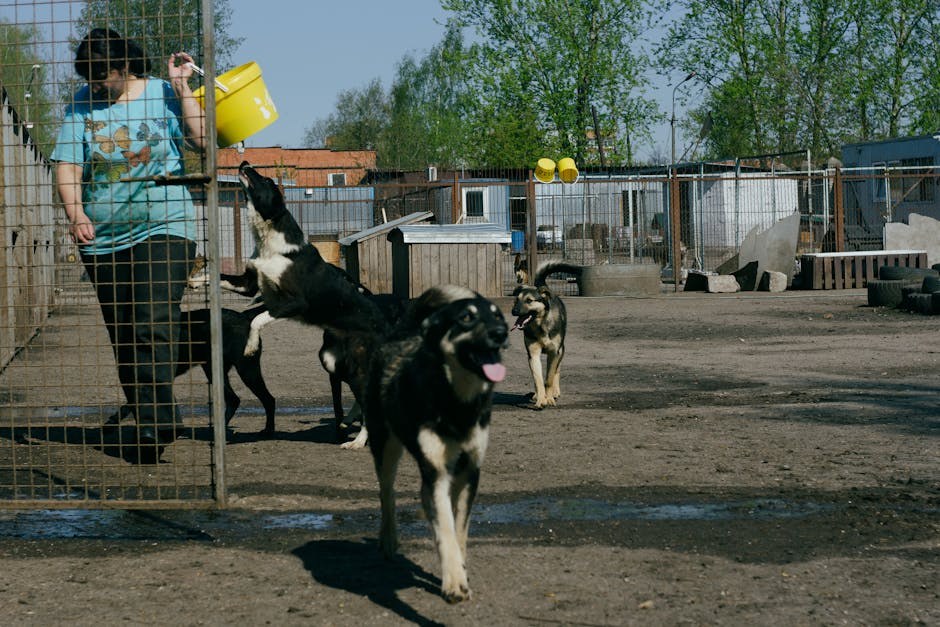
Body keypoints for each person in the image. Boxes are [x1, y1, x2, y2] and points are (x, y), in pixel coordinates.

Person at [51, 28, 206, 463]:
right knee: (123, 336)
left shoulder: (162, 92)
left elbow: (202, 141)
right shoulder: (82, 104)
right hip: (103, 238)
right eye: (89, 76)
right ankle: (158, 415)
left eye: (101, 75)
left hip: (164, 224)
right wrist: (76, 213)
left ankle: (153, 427)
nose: (95, 84)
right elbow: (67, 165)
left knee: (151, 322)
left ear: (123, 65)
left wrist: (182, 86)